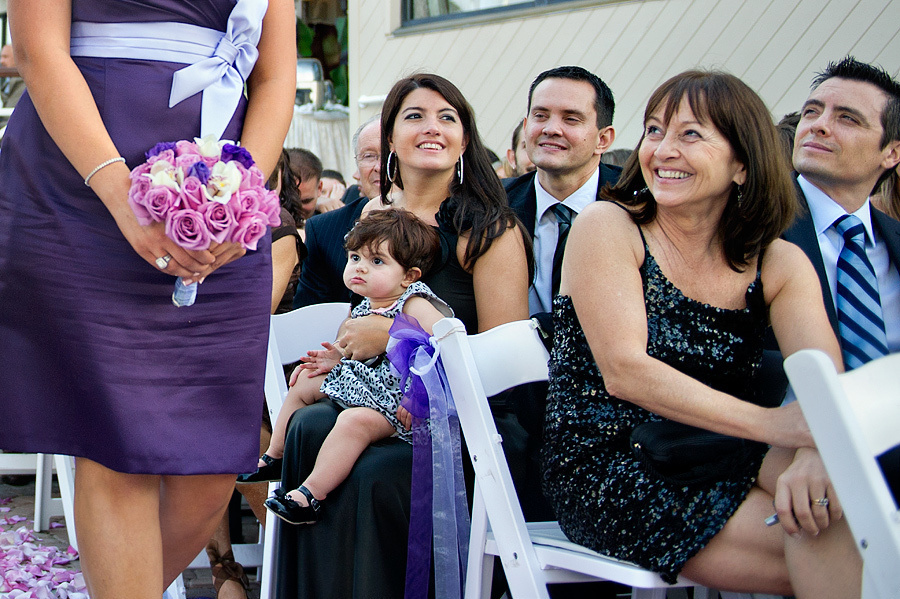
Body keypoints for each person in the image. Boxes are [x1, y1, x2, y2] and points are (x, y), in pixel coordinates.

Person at [0, 2, 296, 599]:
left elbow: (275, 72)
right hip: (82, 184)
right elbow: (37, 48)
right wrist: (120, 194)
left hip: (219, 184)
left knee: (212, 470)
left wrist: (241, 200)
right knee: (115, 447)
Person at [542, 70, 862, 597]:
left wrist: (814, 453)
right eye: (654, 130)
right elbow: (626, 372)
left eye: (690, 134)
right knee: (838, 541)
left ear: (742, 164)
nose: (663, 149)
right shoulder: (608, 226)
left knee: (841, 504)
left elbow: (822, 377)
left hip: (725, 445)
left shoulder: (778, 261)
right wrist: (781, 429)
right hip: (613, 463)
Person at [276, 72, 530, 599]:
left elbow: (506, 358)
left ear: (464, 138)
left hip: (463, 412)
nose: (431, 128)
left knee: (373, 469)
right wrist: (341, 351)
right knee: (309, 425)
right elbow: (358, 318)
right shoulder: (375, 217)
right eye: (414, 116)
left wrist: (391, 335)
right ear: (390, 138)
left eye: (447, 118)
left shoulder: (489, 229)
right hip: (377, 393)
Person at [263, 209, 452, 524]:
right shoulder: (365, 304)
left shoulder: (414, 304)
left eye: (376, 262)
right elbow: (347, 347)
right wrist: (330, 358)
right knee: (307, 381)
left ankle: (310, 494)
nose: (360, 268)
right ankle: (275, 455)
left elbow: (445, 347)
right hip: (373, 388)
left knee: (354, 422)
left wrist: (419, 392)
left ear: (409, 276)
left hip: (404, 406)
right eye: (354, 258)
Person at [784, 57, 900, 502]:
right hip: (786, 445)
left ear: (891, 153)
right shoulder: (747, 227)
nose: (818, 126)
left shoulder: (895, 243)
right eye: (812, 112)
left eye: (846, 118)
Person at [292, 114, 380, 308]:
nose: (379, 167)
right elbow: (309, 315)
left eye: (391, 155)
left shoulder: (441, 221)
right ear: (356, 168)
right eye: (369, 156)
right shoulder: (323, 230)